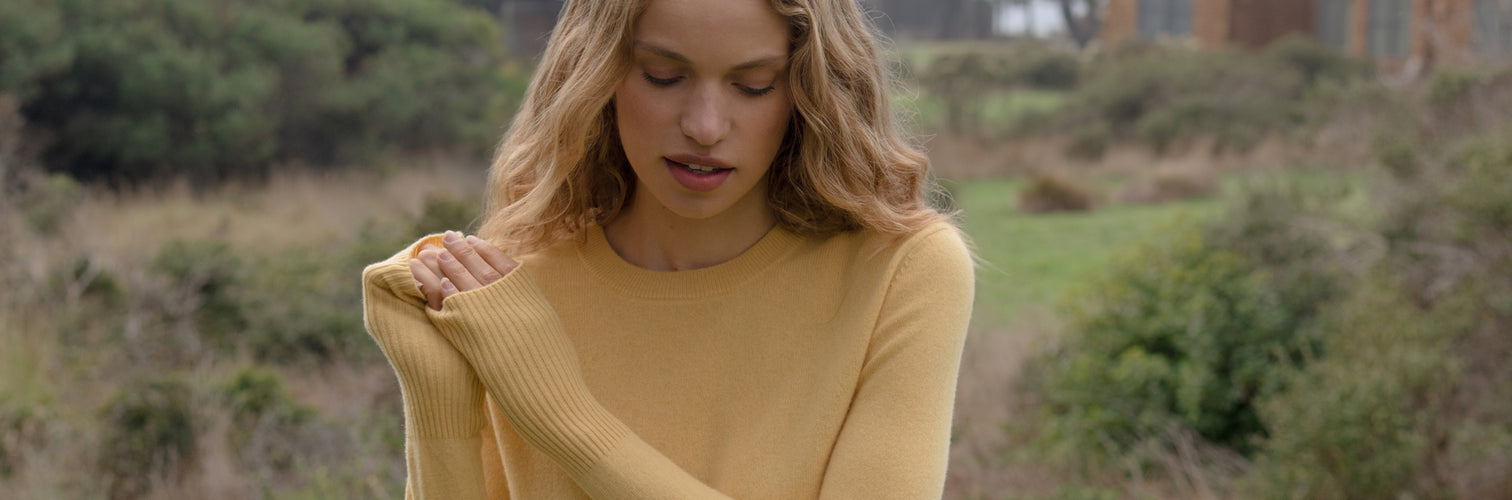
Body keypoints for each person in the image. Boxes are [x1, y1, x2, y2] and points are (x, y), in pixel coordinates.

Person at [360, 0, 975, 497]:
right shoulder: (509, 291)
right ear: (597, 74)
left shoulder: (899, 270)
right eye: (664, 76)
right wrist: (439, 398)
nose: (705, 126)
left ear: (808, 91)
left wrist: (566, 417)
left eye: (753, 86)